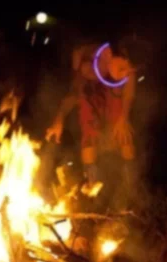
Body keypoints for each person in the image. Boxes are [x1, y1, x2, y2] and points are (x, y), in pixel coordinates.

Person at [45, 37, 146, 189]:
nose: (125, 75)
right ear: (109, 55)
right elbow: (72, 96)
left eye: (128, 71)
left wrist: (123, 118)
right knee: (89, 137)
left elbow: (129, 93)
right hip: (90, 97)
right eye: (121, 69)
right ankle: (91, 189)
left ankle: (132, 190)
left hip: (114, 97)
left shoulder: (126, 61)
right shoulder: (85, 65)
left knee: (124, 137)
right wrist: (59, 119)